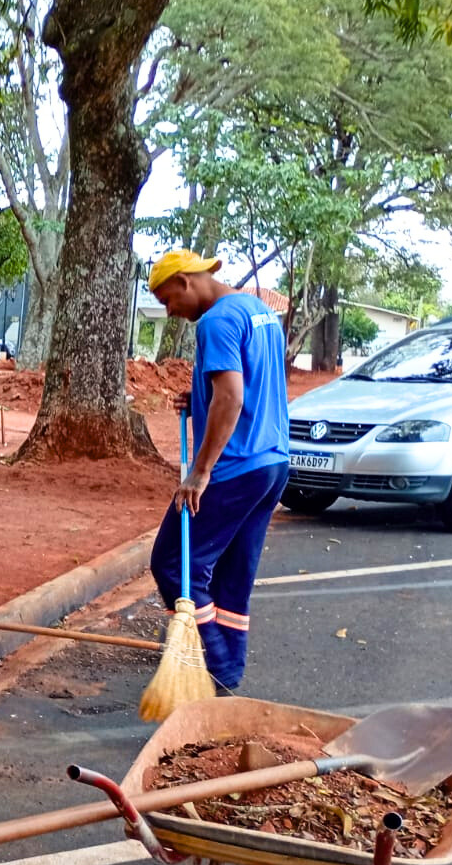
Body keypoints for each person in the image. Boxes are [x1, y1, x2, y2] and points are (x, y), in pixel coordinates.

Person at [147, 249, 290, 694]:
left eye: (169, 300)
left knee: (173, 564)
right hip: (272, 463)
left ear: (187, 282)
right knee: (231, 575)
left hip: (234, 468)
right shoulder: (258, 311)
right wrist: (199, 401)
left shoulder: (215, 322)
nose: (171, 312)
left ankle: (212, 667)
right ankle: (226, 678)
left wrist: (200, 471)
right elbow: (248, 383)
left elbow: (232, 398)